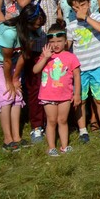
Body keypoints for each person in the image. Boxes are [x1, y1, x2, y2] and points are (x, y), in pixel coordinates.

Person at [0, 8, 43, 152]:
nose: (38, 28)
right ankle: (7, 140)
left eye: (39, 25)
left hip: (13, 61)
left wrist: (15, 79)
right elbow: (6, 60)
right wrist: (9, 82)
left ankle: (17, 138)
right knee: (6, 95)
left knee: (17, 95)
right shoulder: (9, 32)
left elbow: (24, 56)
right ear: (26, 22)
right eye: (35, 25)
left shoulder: (33, 31)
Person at [66, 0, 100, 143]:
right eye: (76, 8)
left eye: (83, 5)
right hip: (80, 69)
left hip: (97, 65)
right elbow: (67, 46)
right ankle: (83, 130)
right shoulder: (71, 26)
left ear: (89, 3)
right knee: (81, 100)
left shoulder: (96, 17)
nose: (80, 10)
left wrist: (85, 17)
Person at [32, 26, 81, 157]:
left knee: (63, 120)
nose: (56, 44)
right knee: (52, 121)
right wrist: (45, 58)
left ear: (65, 41)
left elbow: (77, 76)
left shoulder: (71, 57)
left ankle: (65, 146)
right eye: (52, 42)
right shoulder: (46, 56)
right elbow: (35, 70)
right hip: (48, 95)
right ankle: (51, 147)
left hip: (65, 95)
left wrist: (77, 94)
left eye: (59, 41)